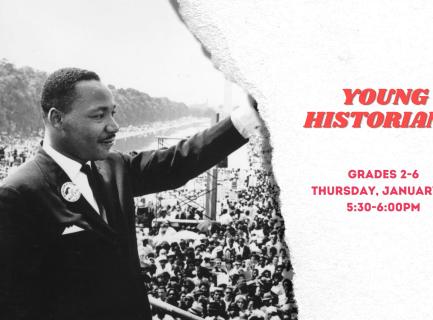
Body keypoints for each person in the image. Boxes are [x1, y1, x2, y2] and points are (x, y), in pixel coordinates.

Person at [0, 68, 259, 320]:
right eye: (99, 116)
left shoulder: (114, 166)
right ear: (58, 119)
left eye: (112, 114)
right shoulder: (18, 194)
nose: (114, 126)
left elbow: (179, 161)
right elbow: (15, 306)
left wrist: (248, 115)